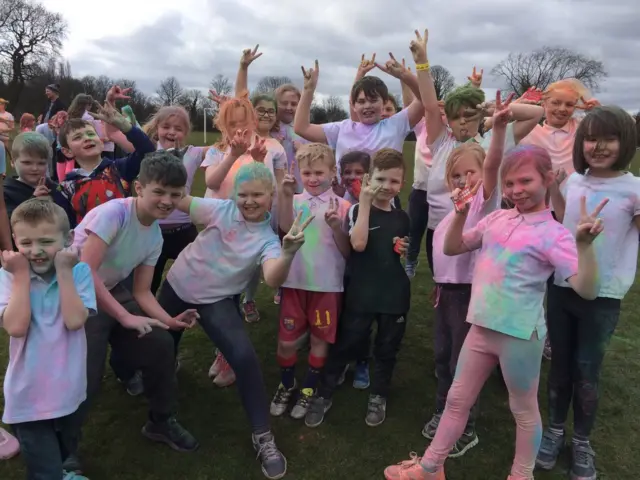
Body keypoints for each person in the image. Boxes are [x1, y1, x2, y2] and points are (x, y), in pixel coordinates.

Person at [384, 140, 605, 479]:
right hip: (481, 328)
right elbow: (453, 246)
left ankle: (521, 475)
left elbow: (587, 290)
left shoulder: (554, 234)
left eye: (526, 181)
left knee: (523, 411)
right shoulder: (497, 219)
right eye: (511, 183)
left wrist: (586, 248)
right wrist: (459, 214)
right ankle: (430, 467)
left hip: (519, 336)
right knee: (457, 401)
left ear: (547, 179)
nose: (517, 190)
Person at [157, 161, 313, 480]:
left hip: (215, 301)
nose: (249, 201)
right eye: (243, 194)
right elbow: (177, 199)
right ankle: (155, 402)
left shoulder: (268, 239)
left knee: (243, 357)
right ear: (234, 195)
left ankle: (262, 436)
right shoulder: (219, 209)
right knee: (159, 353)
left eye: (257, 194)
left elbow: (272, 278)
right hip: (176, 288)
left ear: (271, 196)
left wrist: (287, 254)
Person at [70, 152, 199, 474]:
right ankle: (63, 447)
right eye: (159, 191)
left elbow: (141, 291)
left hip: (112, 290)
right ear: (139, 188)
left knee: (160, 343)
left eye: (175, 194)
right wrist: (124, 317)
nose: (167, 200)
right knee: (84, 373)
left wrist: (170, 321)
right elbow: (85, 271)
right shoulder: (114, 214)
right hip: (74, 294)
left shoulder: (154, 234)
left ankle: (160, 421)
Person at [537, 106, 639, 480]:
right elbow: (564, 217)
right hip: (563, 286)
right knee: (560, 367)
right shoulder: (576, 181)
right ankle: (553, 432)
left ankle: (581, 441)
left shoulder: (634, 189)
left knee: (586, 372)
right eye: (592, 138)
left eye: (609, 138)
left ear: (625, 142)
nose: (599, 147)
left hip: (604, 296)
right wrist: (554, 188)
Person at [422, 92, 512, 458]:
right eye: (456, 175)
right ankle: (446, 410)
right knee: (443, 357)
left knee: (465, 365)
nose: (464, 179)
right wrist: (437, 286)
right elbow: (445, 255)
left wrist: (501, 128)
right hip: (447, 295)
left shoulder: (484, 203)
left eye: (470, 173)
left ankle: (466, 427)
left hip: (471, 297)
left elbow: (492, 166)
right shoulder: (452, 210)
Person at [410, 30, 543, 273]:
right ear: (447, 119)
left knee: (479, 286)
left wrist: (499, 110)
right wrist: (422, 63)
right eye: (456, 116)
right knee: (444, 283)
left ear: (480, 115)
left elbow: (537, 113)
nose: (462, 122)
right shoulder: (441, 141)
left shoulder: (495, 140)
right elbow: (430, 106)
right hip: (439, 227)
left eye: (468, 115)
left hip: (482, 231)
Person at [305, 148, 410, 429]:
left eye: (394, 181)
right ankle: (323, 394)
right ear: (368, 180)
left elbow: (396, 251)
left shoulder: (402, 217)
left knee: (387, 348)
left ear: (402, 183)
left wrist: (401, 248)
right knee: (346, 343)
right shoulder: (354, 210)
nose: (386, 187)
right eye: (380, 180)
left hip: (394, 295)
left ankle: (378, 395)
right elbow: (359, 244)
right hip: (361, 292)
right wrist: (364, 204)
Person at [0, 198, 96, 479]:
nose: (36, 251)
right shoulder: (8, 277)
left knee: (66, 446)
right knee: (46, 470)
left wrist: (65, 271)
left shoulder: (79, 272)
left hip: (70, 388)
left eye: (45, 241)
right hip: (28, 395)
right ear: (15, 241)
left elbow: (75, 320)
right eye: (26, 243)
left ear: (68, 239)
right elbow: (16, 327)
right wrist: (20, 276)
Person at [270, 143, 350, 419]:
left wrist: (337, 227)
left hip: (327, 286)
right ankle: (287, 383)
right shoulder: (293, 201)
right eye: (307, 173)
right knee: (287, 342)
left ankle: (307, 389)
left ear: (332, 172)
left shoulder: (344, 206)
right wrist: (283, 195)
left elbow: (347, 251)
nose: (313, 179)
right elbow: (284, 228)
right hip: (294, 283)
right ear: (298, 173)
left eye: (319, 172)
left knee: (319, 339)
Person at [203, 91, 285, 330]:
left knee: (249, 268)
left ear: (253, 123)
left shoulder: (260, 149)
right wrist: (232, 154)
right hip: (221, 223)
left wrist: (258, 162)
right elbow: (212, 182)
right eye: (232, 124)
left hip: (250, 223)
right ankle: (222, 314)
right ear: (223, 126)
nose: (239, 129)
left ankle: (245, 302)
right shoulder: (216, 151)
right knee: (223, 276)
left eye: (244, 123)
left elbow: (264, 185)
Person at [293, 53, 425, 173]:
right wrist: (308, 90)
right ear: (353, 105)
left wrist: (404, 75)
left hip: (384, 197)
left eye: (373, 100)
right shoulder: (342, 129)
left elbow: (423, 99)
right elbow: (301, 128)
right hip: (345, 199)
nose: (367, 106)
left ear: (384, 103)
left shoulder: (396, 125)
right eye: (361, 102)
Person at [142, 105, 209, 295]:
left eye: (178, 129)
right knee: (148, 283)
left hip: (184, 230)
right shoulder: (147, 150)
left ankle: (180, 316)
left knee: (194, 279)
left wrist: (228, 111)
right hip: (152, 231)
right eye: (166, 126)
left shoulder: (193, 153)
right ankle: (147, 316)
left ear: (186, 132)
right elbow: (115, 134)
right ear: (157, 128)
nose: (172, 132)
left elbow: (226, 146)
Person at [57, 102, 155, 223]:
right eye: (77, 137)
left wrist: (127, 127)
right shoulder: (66, 187)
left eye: (91, 134)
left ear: (101, 142)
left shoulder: (119, 169)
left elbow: (148, 152)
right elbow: (67, 226)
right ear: (67, 152)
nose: (87, 138)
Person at [4, 132, 75, 235]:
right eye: (27, 163)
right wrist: (33, 201)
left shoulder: (56, 188)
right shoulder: (5, 192)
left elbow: (69, 220)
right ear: (12, 162)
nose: (35, 168)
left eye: (41, 163)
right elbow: (9, 226)